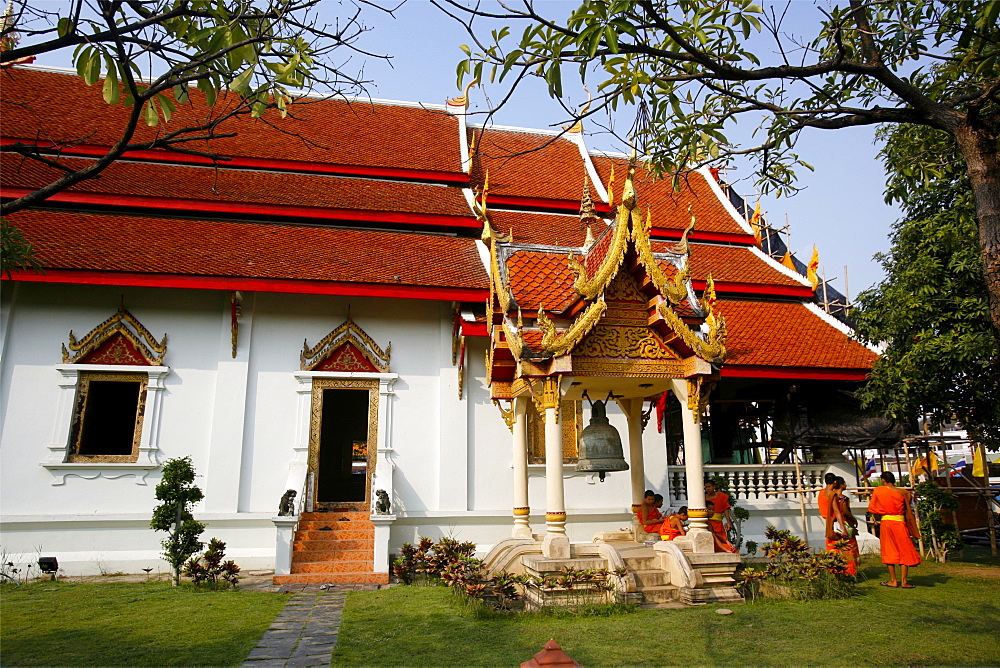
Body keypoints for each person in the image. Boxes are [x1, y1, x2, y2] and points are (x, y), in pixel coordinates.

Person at [868, 471, 921, 588]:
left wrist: (885, 511)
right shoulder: (904, 492)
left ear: (883, 480)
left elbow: (872, 508)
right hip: (900, 522)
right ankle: (904, 581)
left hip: (887, 522)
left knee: (889, 549)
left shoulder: (878, 491)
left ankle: (893, 580)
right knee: (904, 549)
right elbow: (908, 506)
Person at [826, 476, 860, 576]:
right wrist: (854, 519)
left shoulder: (830, 495)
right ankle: (850, 571)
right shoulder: (843, 498)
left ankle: (838, 570)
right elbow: (845, 511)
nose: (846, 485)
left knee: (837, 548)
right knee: (850, 547)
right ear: (841, 485)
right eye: (844, 483)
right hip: (844, 523)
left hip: (834, 524)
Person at [705, 480, 738, 553]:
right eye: (706, 487)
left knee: (722, 540)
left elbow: (725, 509)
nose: (707, 489)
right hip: (709, 521)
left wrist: (728, 522)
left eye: (709, 487)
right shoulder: (703, 497)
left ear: (714, 487)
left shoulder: (721, 496)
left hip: (718, 523)